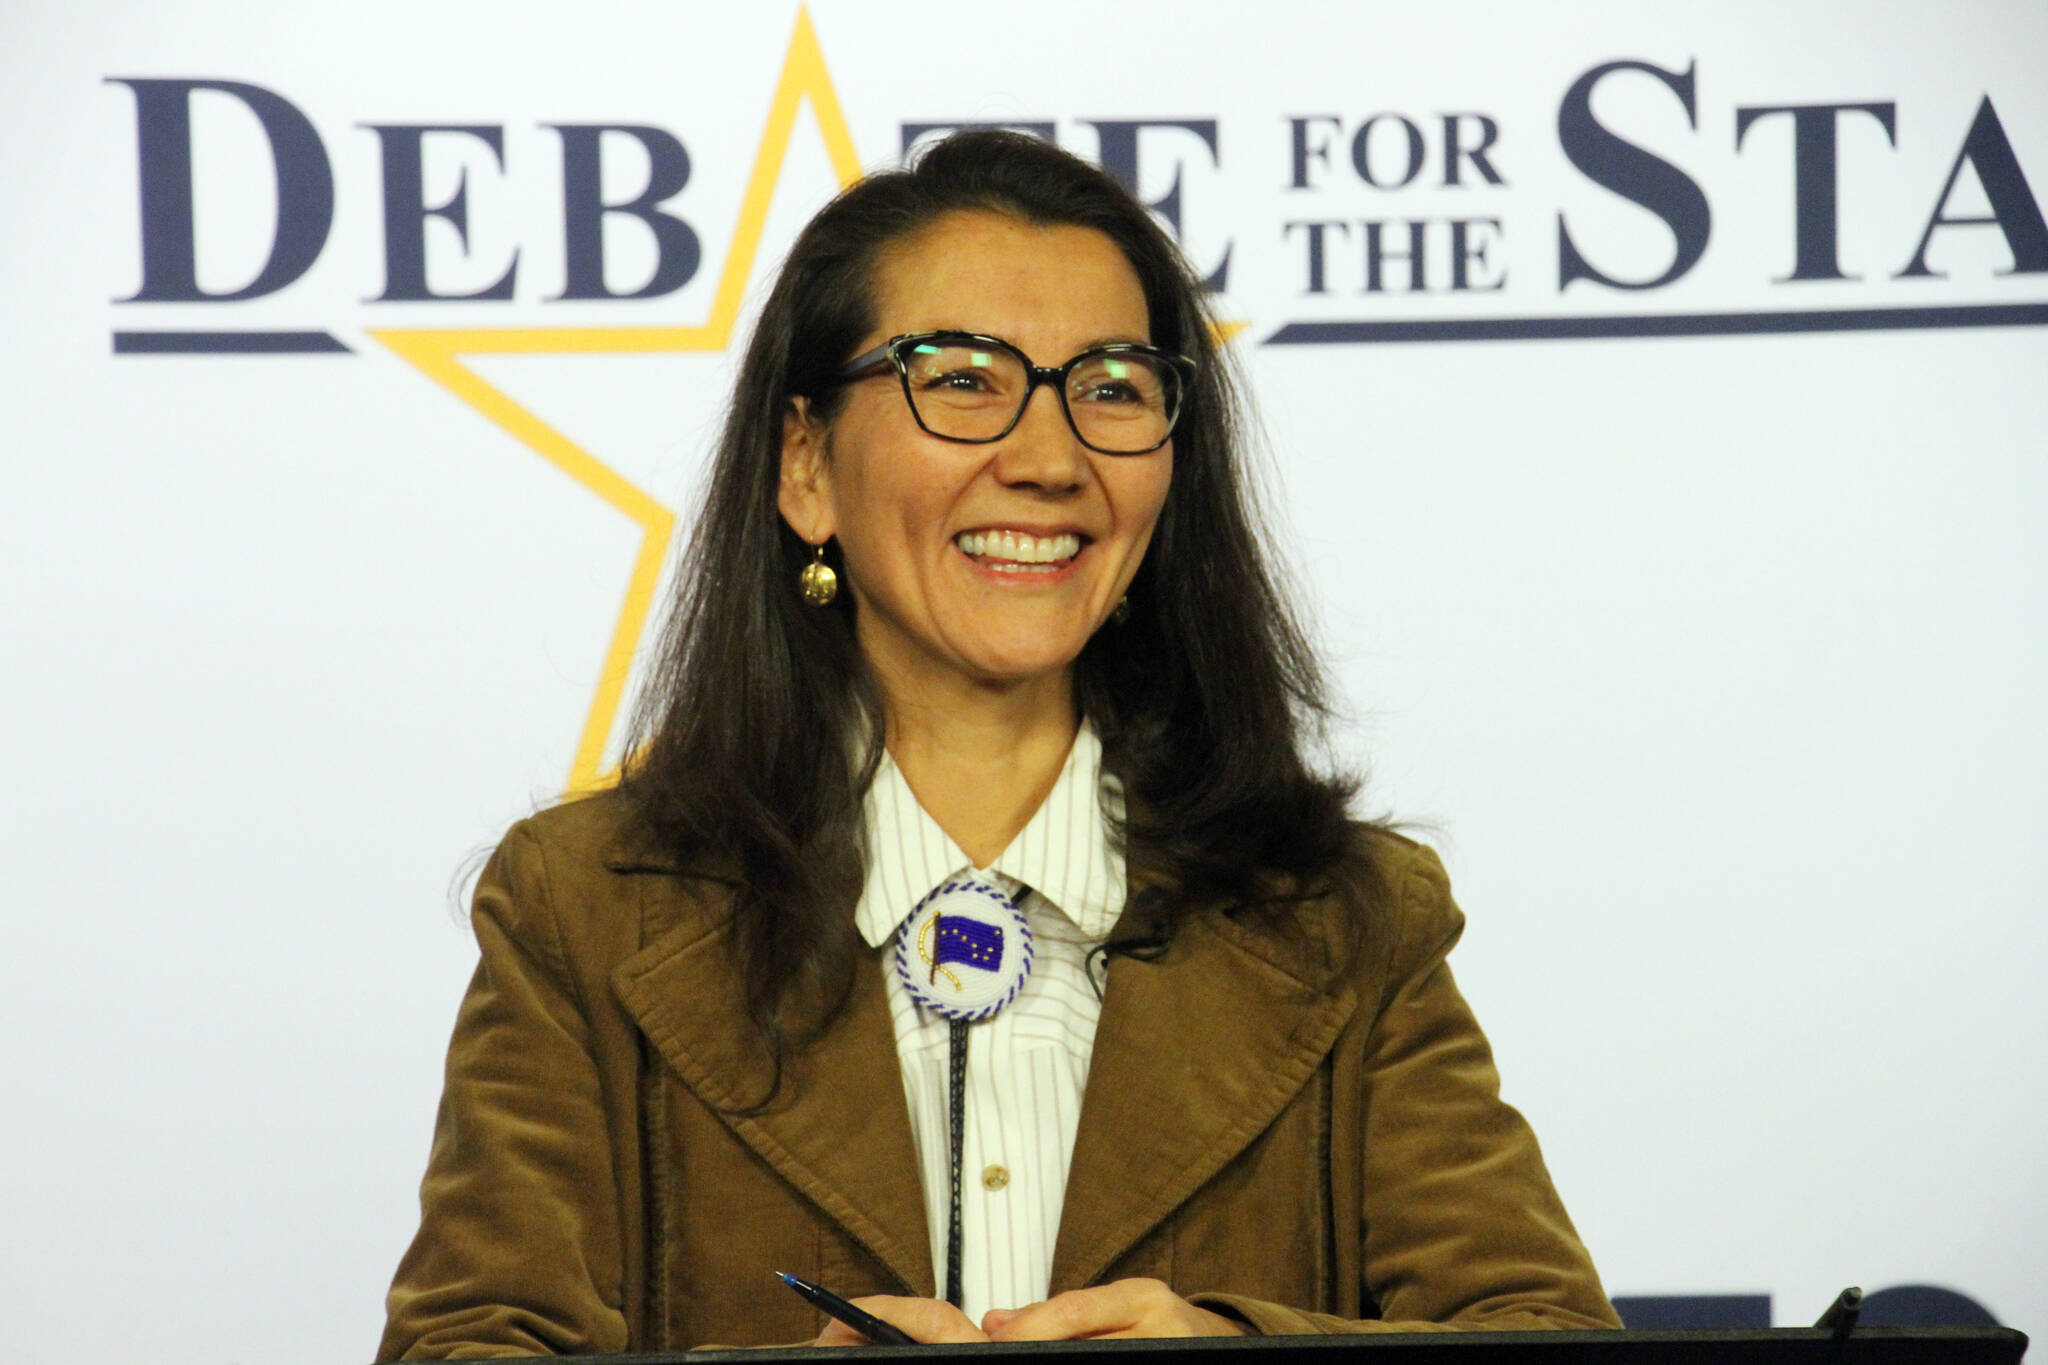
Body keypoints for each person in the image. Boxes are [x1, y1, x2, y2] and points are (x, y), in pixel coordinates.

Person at [378, 130, 1618, 1358]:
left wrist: (1241, 1352)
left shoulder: (1347, 916)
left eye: (1111, 390)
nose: (1048, 459)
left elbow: (1542, 1335)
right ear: (805, 465)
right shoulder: (583, 910)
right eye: (961, 378)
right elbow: (468, 1349)